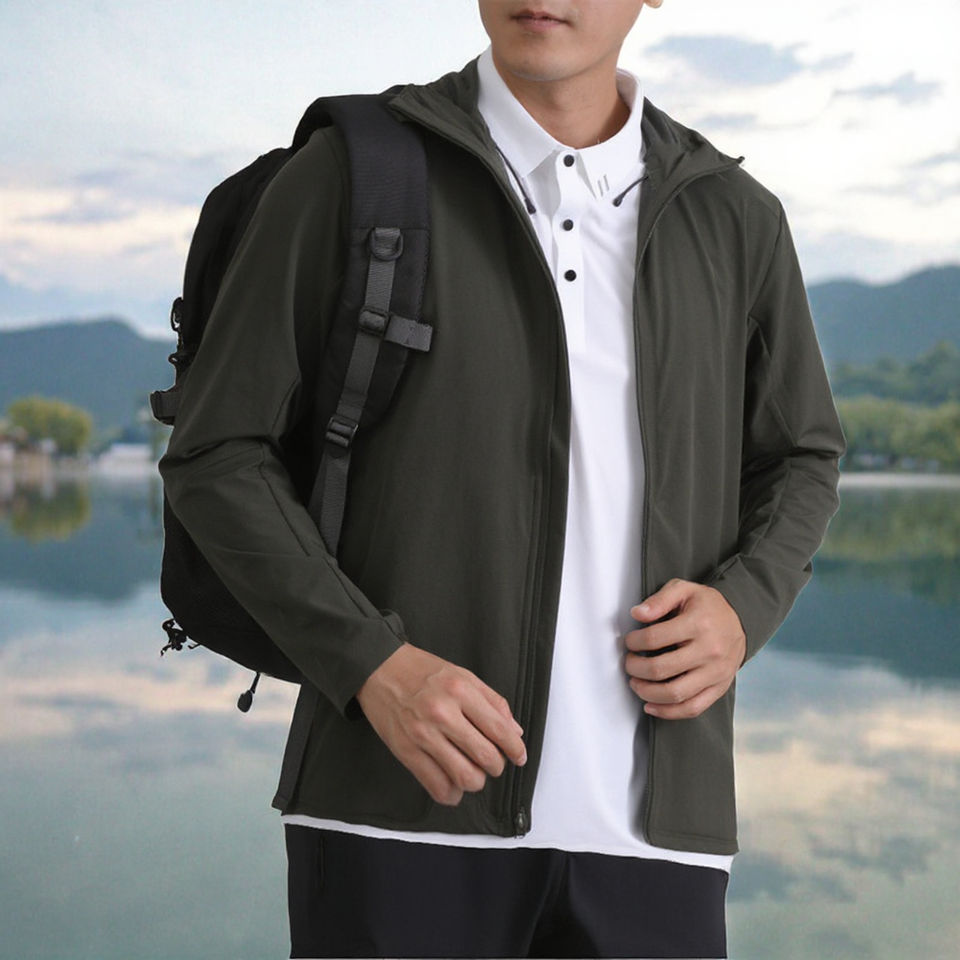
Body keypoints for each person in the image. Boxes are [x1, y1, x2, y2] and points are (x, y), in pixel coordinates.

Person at [158, 1, 846, 956]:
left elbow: (801, 455)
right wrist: (371, 664)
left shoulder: (735, 216)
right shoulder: (354, 173)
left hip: (659, 837)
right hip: (392, 814)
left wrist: (742, 607)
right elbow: (217, 451)